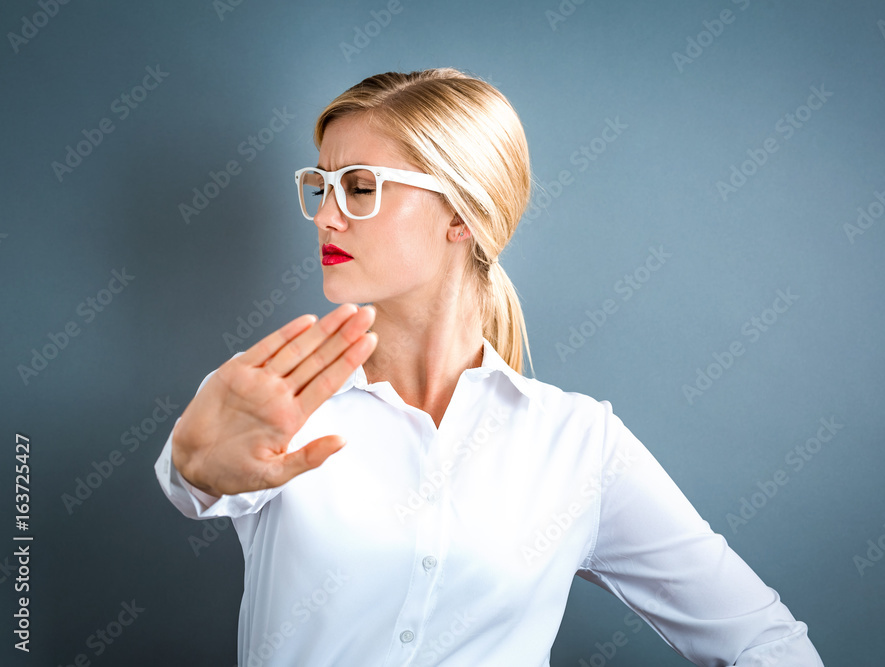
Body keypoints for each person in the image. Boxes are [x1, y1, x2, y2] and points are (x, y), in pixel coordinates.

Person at [155, 68, 824, 666]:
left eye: (359, 188)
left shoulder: (577, 444)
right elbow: (200, 475)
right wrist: (191, 468)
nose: (326, 216)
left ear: (460, 214)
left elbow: (764, 641)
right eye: (320, 186)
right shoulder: (278, 402)